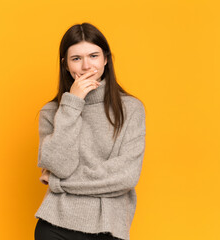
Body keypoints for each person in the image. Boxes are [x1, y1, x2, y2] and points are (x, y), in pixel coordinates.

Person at [34, 22, 146, 240]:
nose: (86, 66)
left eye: (93, 56)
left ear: (105, 59)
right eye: (76, 59)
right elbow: (60, 165)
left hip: (108, 227)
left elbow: (126, 176)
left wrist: (58, 183)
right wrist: (72, 104)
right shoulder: (52, 111)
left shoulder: (131, 109)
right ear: (65, 65)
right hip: (55, 226)